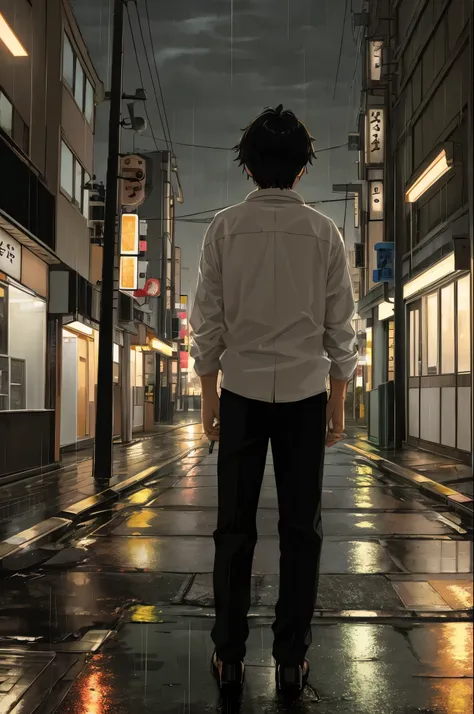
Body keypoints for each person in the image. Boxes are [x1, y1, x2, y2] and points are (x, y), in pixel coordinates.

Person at [189, 104, 357, 696]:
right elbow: (342, 327)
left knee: (233, 529)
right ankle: (291, 659)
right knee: (300, 531)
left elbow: (206, 321)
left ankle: (229, 656)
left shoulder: (223, 229)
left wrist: (208, 400)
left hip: (240, 393)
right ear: (302, 169)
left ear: (249, 166)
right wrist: (338, 403)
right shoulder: (324, 232)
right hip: (307, 398)